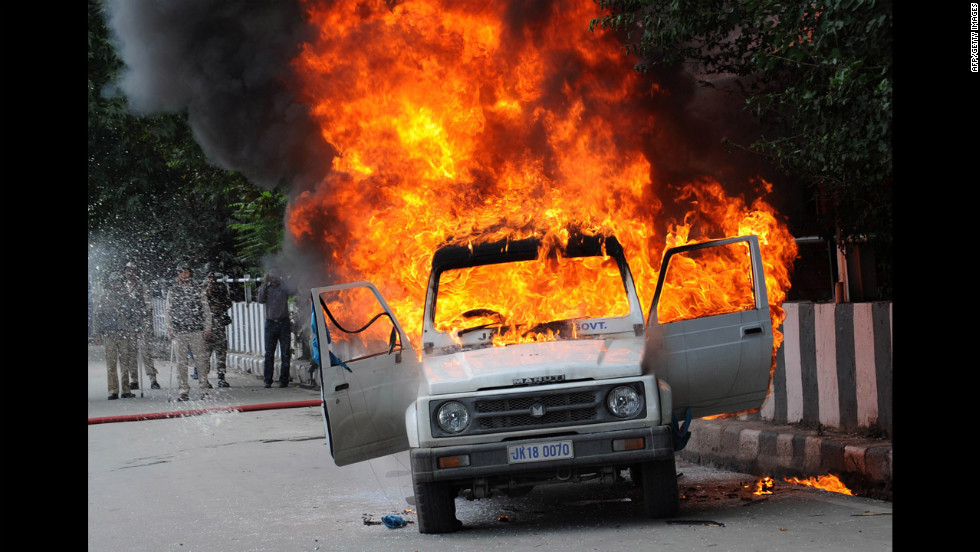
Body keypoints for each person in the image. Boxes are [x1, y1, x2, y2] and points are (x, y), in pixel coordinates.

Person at [165, 262, 212, 401]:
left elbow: (206, 311)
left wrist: (207, 327)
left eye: (186, 272)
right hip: (179, 331)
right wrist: (169, 327)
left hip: (196, 330)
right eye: (181, 272)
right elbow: (168, 310)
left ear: (190, 273)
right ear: (178, 274)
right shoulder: (173, 290)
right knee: (181, 363)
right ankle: (183, 390)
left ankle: (204, 390)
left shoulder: (198, 289)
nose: (183, 275)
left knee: (200, 361)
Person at [93, 272, 140, 400]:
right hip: (109, 334)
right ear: (110, 283)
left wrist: (137, 329)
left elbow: (134, 314)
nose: (116, 284)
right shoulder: (104, 298)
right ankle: (113, 390)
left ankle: (126, 389)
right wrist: (96, 333)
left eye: (118, 282)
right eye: (114, 282)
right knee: (111, 363)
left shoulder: (127, 297)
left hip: (124, 334)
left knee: (125, 363)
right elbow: (97, 316)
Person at [123, 261, 161, 390]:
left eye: (132, 270)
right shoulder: (123, 287)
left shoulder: (142, 286)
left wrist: (148, 322)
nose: (130, 273)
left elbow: (149, 305)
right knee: (131, 353)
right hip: (128, 324)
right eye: (128, 270)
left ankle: (152, 379)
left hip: (142, 322)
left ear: (136, 272)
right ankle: (134, 379)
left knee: (146, 352)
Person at [257, 269, 296, 388]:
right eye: (271, 274)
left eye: (275, 273)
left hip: (284, 323)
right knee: (269, 353)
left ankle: (284, 380)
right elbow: (260, 299)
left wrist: (283, 279)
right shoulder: (266, 288)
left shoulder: (283, 287)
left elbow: (293, 291)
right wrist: (265, 284)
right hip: (270, 324)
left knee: (285, 353)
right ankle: (267, 380)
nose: (273, 277)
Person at [203, 266, 233, 388]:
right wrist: (208, 288)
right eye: (210, 275)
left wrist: (220, 306)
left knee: (221, 351)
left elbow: (228, 302)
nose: (212, 278)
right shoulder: (202, 287)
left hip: (219, 322)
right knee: (205, 353)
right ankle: (204, 379)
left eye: (214, 275)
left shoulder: (221, 287)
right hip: (206, 324)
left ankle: (221, 377)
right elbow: (201, 301)